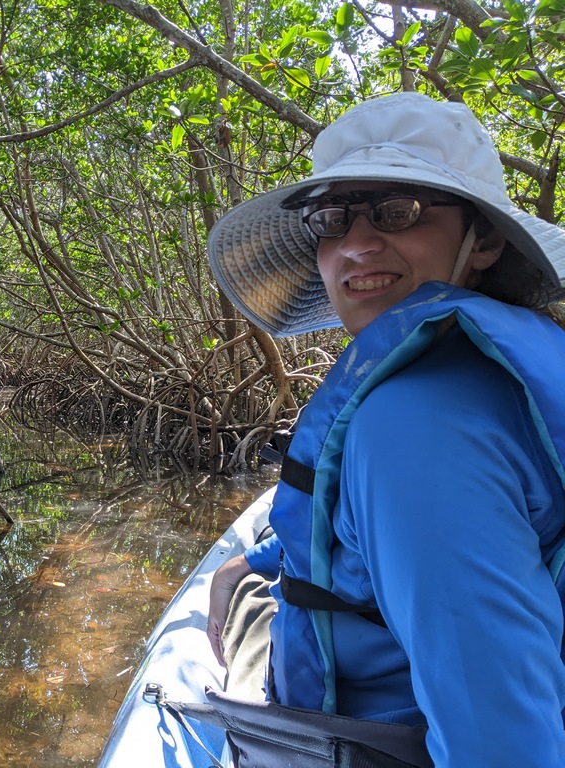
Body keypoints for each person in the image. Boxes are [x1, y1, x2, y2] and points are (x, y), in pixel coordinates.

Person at [202, 91, 565, 767]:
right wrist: (255, 560)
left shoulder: (416, 426)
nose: (357, 246)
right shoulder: (488, 371)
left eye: (398, 212)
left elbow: (500, 736)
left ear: (483, 239)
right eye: (332, 219)